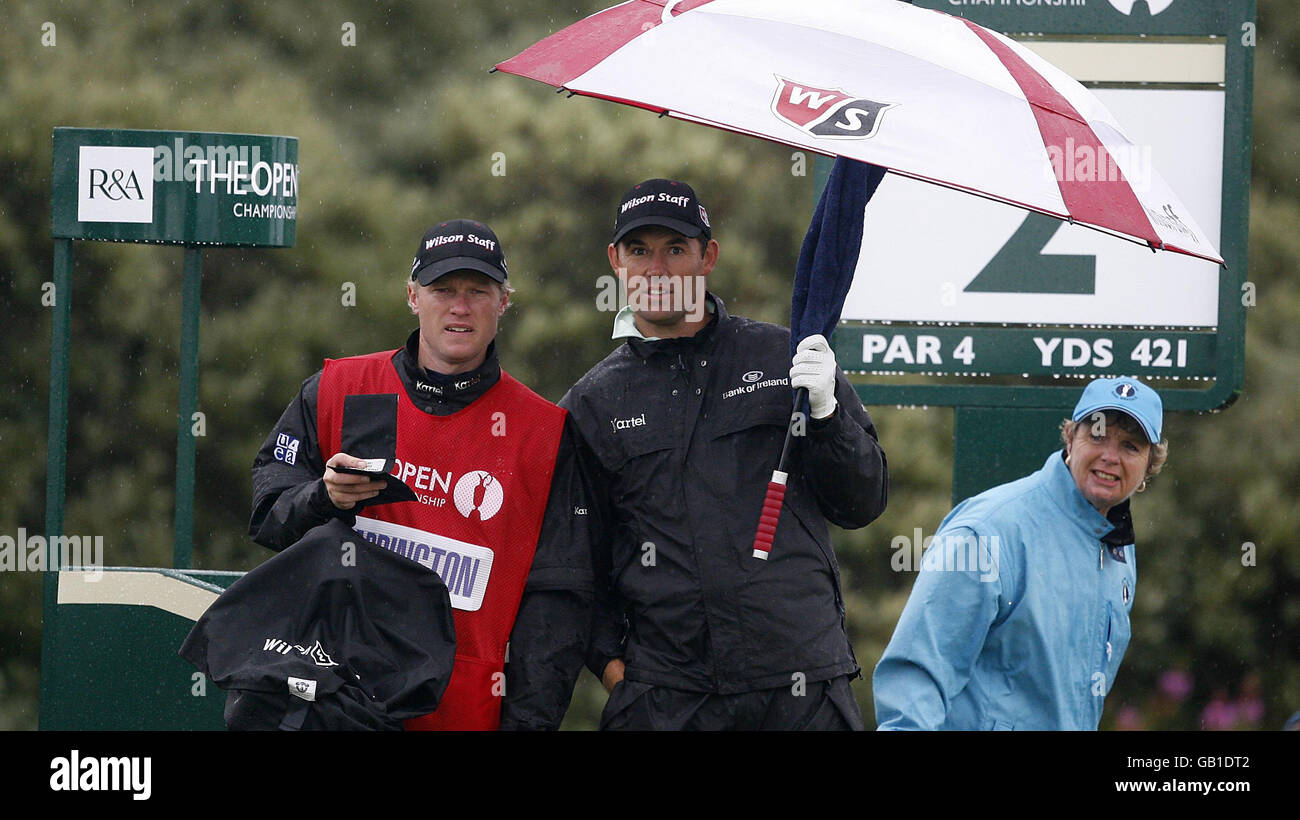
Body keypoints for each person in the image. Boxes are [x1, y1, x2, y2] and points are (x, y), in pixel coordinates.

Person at [560, 178, 889, 730]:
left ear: (707, 256)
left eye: (675, 249)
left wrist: (829, 414)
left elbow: (863, 502)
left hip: (801, 685)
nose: (656, 268)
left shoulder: (788, 357)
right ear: (615, 260)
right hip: (668, 700)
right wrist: (615, 670)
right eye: (639, 250)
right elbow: (572, 558)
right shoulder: (590, 404)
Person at [250, 219, 593, 730]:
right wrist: (323, 497)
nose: (460, 307)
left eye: (479, 291)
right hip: (334, 701)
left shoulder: (546, 433)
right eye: (442, 290)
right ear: (412, 296)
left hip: (465, 710)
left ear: (504, 303)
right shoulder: (339, 388)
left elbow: (558, 609)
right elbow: (267, 517)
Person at [872, 376, 1169, 730]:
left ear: (1150, 466)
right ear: (1071, 437)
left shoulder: (1116, 546)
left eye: (1130, 446)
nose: (1110, 456)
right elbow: (915, 678)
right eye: (1098, 435)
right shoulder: (987, 531)